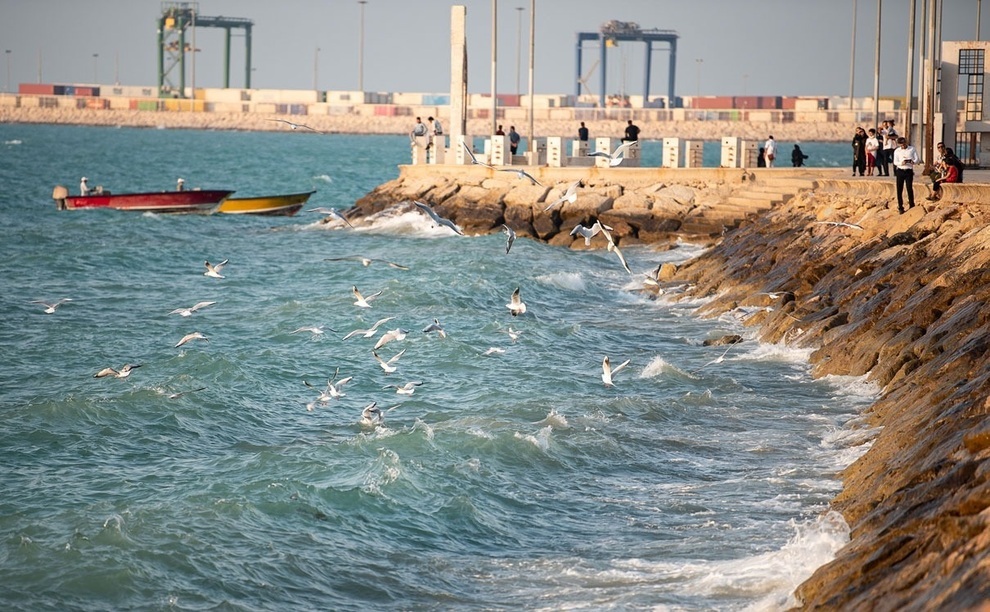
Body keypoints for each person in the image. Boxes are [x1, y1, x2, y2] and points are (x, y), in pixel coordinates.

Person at [892, 136, 920, 213]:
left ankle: (911, 204)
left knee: (909, 188)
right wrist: (901, 163)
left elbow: (917, 159)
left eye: (904, 144)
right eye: (901, 145)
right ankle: (900, 206)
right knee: (899, 189)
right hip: (900, 170)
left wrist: (912, 161)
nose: (903, 146)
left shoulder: (912, 149)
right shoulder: (897, 151)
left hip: (908, 171)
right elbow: (895, 162)